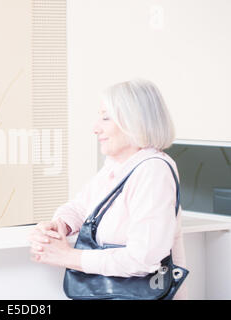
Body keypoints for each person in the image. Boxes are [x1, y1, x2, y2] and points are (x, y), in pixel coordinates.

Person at [29, 79, 188, 299]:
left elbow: (143, 258)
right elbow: (82, 206)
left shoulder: (153, 171)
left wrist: (69, 257)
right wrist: (60, 226)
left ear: (136, 121)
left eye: (106, 117)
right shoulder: (117, 165)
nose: (95, 128)